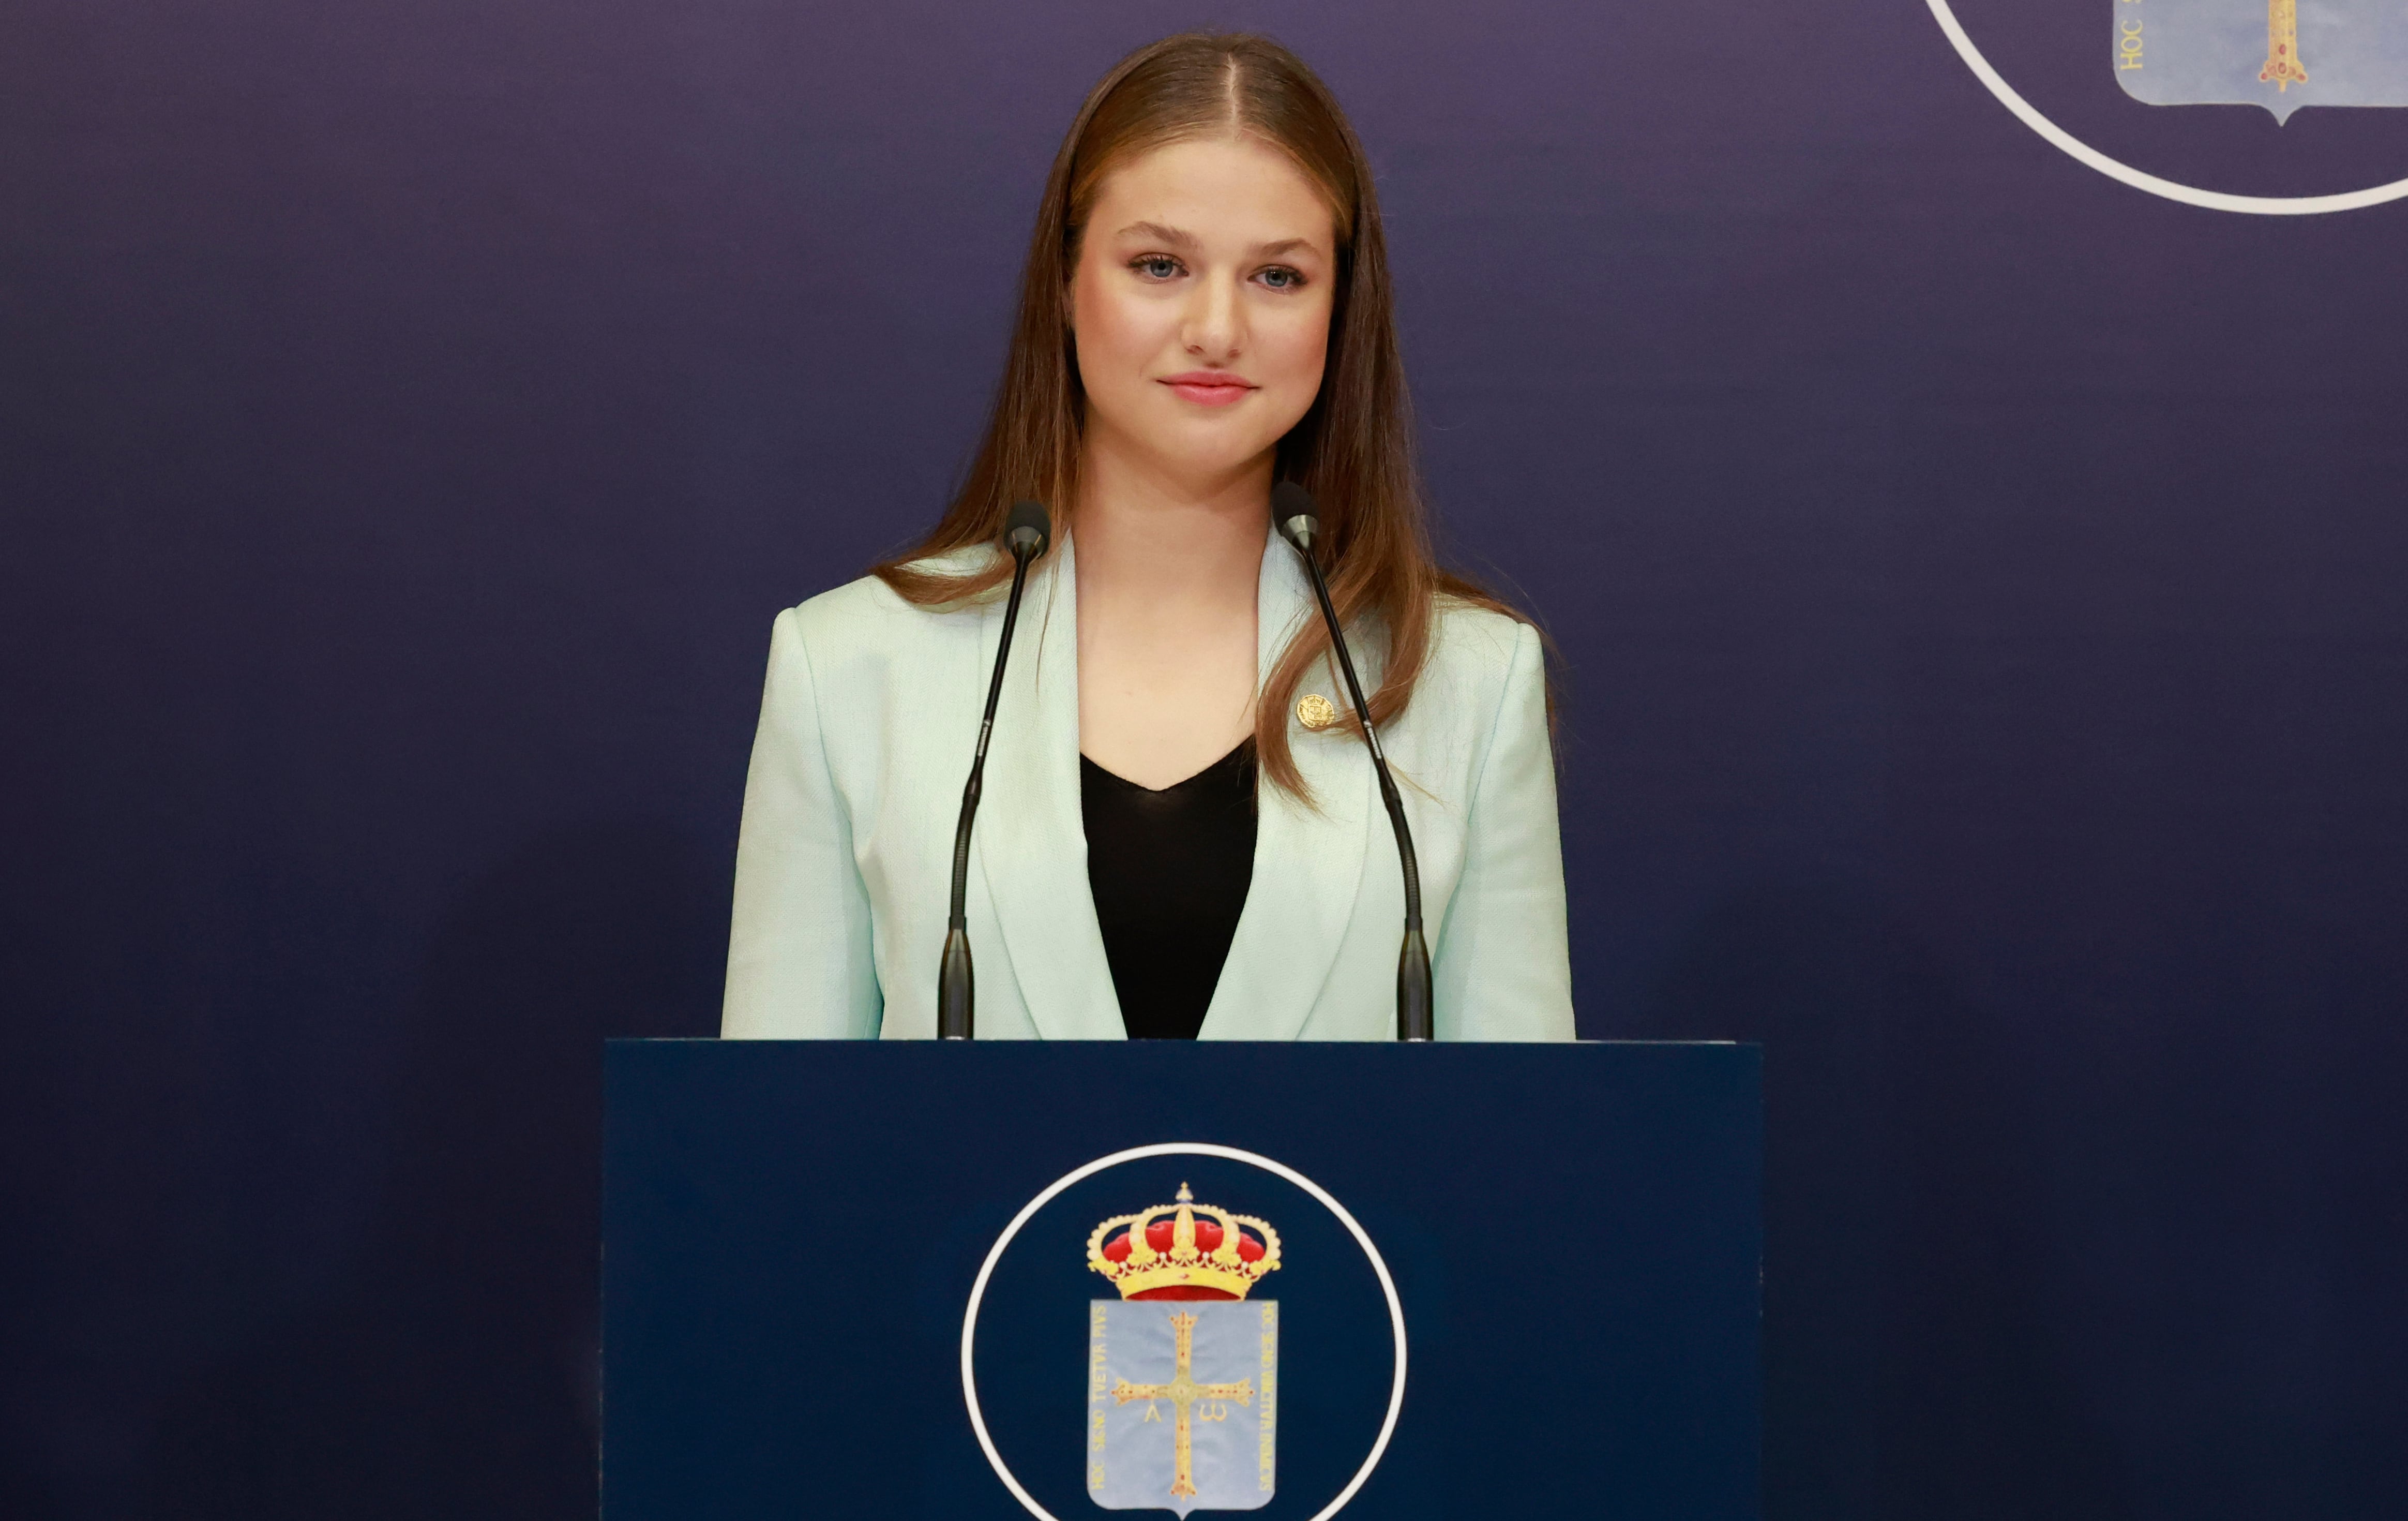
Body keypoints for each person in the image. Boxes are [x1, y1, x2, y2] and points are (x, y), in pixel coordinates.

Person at [721, 32, 1572, 1041]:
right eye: (1160, 265)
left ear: (1342, 314)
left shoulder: (1469, 678)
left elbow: (1523, 1161)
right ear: (1065, 288)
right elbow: (776, 1162)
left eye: (1279, 278)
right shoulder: (852, 665)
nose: (1217, 328)